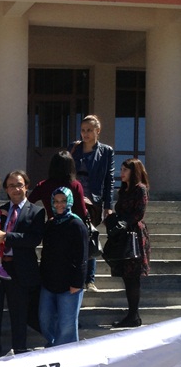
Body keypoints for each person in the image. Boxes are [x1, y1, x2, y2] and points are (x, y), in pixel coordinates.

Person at [0, 170, 45, 357]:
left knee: (19, 314)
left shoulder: (37, 211)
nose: (16, 189)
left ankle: (19, 351)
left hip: (19, 270)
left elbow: (33, 239)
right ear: (6, 190)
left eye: (19, 185)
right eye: (11, 186)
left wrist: (6, 237)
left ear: (26, 186)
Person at [69, 115, 115, 291]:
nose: (85, 134)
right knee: (73, 238)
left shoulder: (106, 151)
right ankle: (74, 276)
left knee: (90, 237)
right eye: (83, 130)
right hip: (73, 199)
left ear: (98, 131)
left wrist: (108, 206)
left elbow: (109, 180)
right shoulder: (74, 148)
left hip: (93, 201)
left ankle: (90, 280)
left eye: (89, 130)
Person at [39, 187, 88, 347]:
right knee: (45, 319)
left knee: (67, 324)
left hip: (70, 285)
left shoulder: (76, 224)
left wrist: (77, 283)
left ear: (70, 202)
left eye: (63, 201)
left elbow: (82, 256)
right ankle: (54, 346)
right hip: (49, 282)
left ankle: (65, 353)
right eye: (56, 201)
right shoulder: (51, 224)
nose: (59, 205)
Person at [107, 159, 151, 329]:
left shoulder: (140, 189)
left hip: (134, 236)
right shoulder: (123, 190)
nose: (122, 172)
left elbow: (139, 213)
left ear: (134, 171)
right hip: (123, 236)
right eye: (121, 168)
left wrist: (124, 222)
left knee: (133, 277)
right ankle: (133, 315)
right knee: (127, 276)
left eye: (125, 169)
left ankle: (133, 315)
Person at [28, 150, 88, 221]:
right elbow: (82, 213)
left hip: (52, 224)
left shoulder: (43, 185)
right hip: (72, 225)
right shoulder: (76, 185)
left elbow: (28, 204)